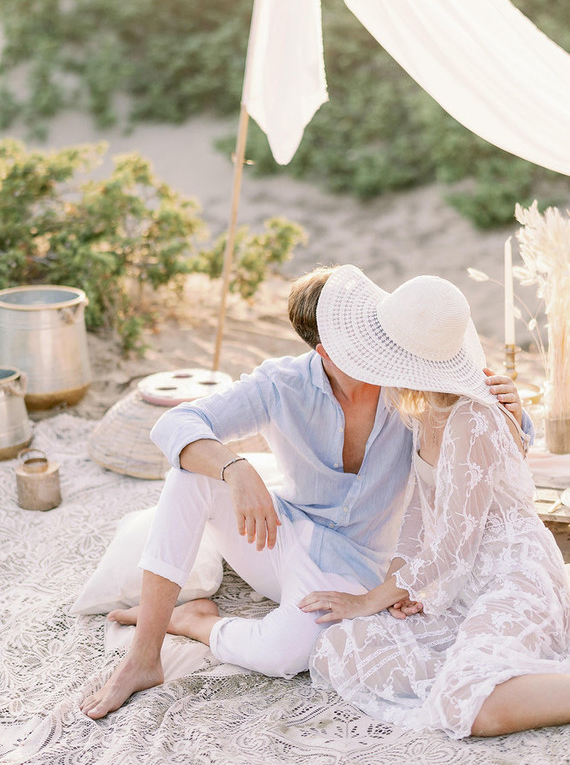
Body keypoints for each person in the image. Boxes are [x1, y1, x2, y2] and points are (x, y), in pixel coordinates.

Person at [80, 265, 528, 720]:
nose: (380, 346)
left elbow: (488, 437)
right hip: (280, 536)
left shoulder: (408, 385)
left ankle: (198, 623)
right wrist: (236, 469)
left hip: (355, 567)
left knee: (284, 654)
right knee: (189, 474)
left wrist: (515, 409)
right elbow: (175, 423)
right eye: (362, 340)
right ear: (326, 352)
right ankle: (143, 656)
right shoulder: (282, 384)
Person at [299, 266, 570, 739]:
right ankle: (489, 670)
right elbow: (416, 520)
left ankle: (500, 681)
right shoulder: (423, 410)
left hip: (513, 575)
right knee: (341, 646)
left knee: (467, 703)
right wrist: (399, 590)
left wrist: (370, 599)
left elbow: (452, 547)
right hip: (462, 583)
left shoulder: (472, 417)